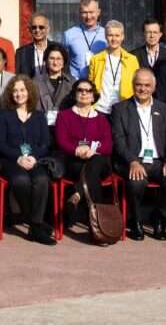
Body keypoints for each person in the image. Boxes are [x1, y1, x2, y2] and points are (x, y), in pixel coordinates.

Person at [110, 68, 166, 241]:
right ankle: (136, 221)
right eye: (138, 85)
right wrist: (133, 161)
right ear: (132, 85)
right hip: (131, 161)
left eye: (147, 85)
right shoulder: (120, 109)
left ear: (153, 87)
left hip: (159, 161)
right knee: (137, 181)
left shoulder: (164, 109)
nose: (143, 89)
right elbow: (119, 140)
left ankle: (159, 218)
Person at [0, 76, 53, 244]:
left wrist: (34, 157)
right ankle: (36, 224)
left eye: (22, 90)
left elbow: (45, 143)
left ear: (29, 92)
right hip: (11, 160)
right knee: (21, 180)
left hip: (34, 160)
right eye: (15, 91)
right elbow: (1, 143)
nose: (19, 94)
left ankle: (35, 225)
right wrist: (18, 158)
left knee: (41, 179)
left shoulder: (39, 116)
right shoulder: (5, 115)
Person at [55, 80, 113, 236]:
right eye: (80, 90)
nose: (84, 93)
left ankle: (77, 194)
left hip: (98, 161)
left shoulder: (101, 119)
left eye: (88, 91)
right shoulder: (64, 116)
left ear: (94, 96)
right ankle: (98, 227)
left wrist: (92, 150)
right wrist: (77, 150)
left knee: (96, 162)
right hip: (74, 162)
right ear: (74, 94)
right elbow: (62, 141)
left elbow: (108, 145)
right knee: (91, 174)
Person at [89, 20, 138, 115]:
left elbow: (135, 84)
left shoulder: (132, 60)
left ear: (122, 37)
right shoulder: (96, 59)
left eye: (117, 35)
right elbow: (91, 84)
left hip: (123, 109)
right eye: (110, 35)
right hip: (100, 109)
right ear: (105, 36)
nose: (113, 39)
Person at [62, 0, 106, 81]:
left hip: (100, 85)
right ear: (79, 13)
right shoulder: (69, 35)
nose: (88, 16)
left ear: (98, 12)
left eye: (91, 12)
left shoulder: (106, 35)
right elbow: (62, 61)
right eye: (84, 12)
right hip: (75, 86)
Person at [33, 44, 74, 128]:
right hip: (42, 126)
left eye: (59, 59)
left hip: (66, 127)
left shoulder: (72, 82)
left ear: (64, 62)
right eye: (52, 58)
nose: (55, 62)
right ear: (46, 61)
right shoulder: (35, 82)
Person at [15, 13, 55, 77]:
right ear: (30, 30)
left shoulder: (57, 49)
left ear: (48, 29)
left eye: (41, 27)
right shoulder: (21, 52)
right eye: (34, 27)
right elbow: (18, 77)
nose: (37, 30)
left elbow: (66, 74)